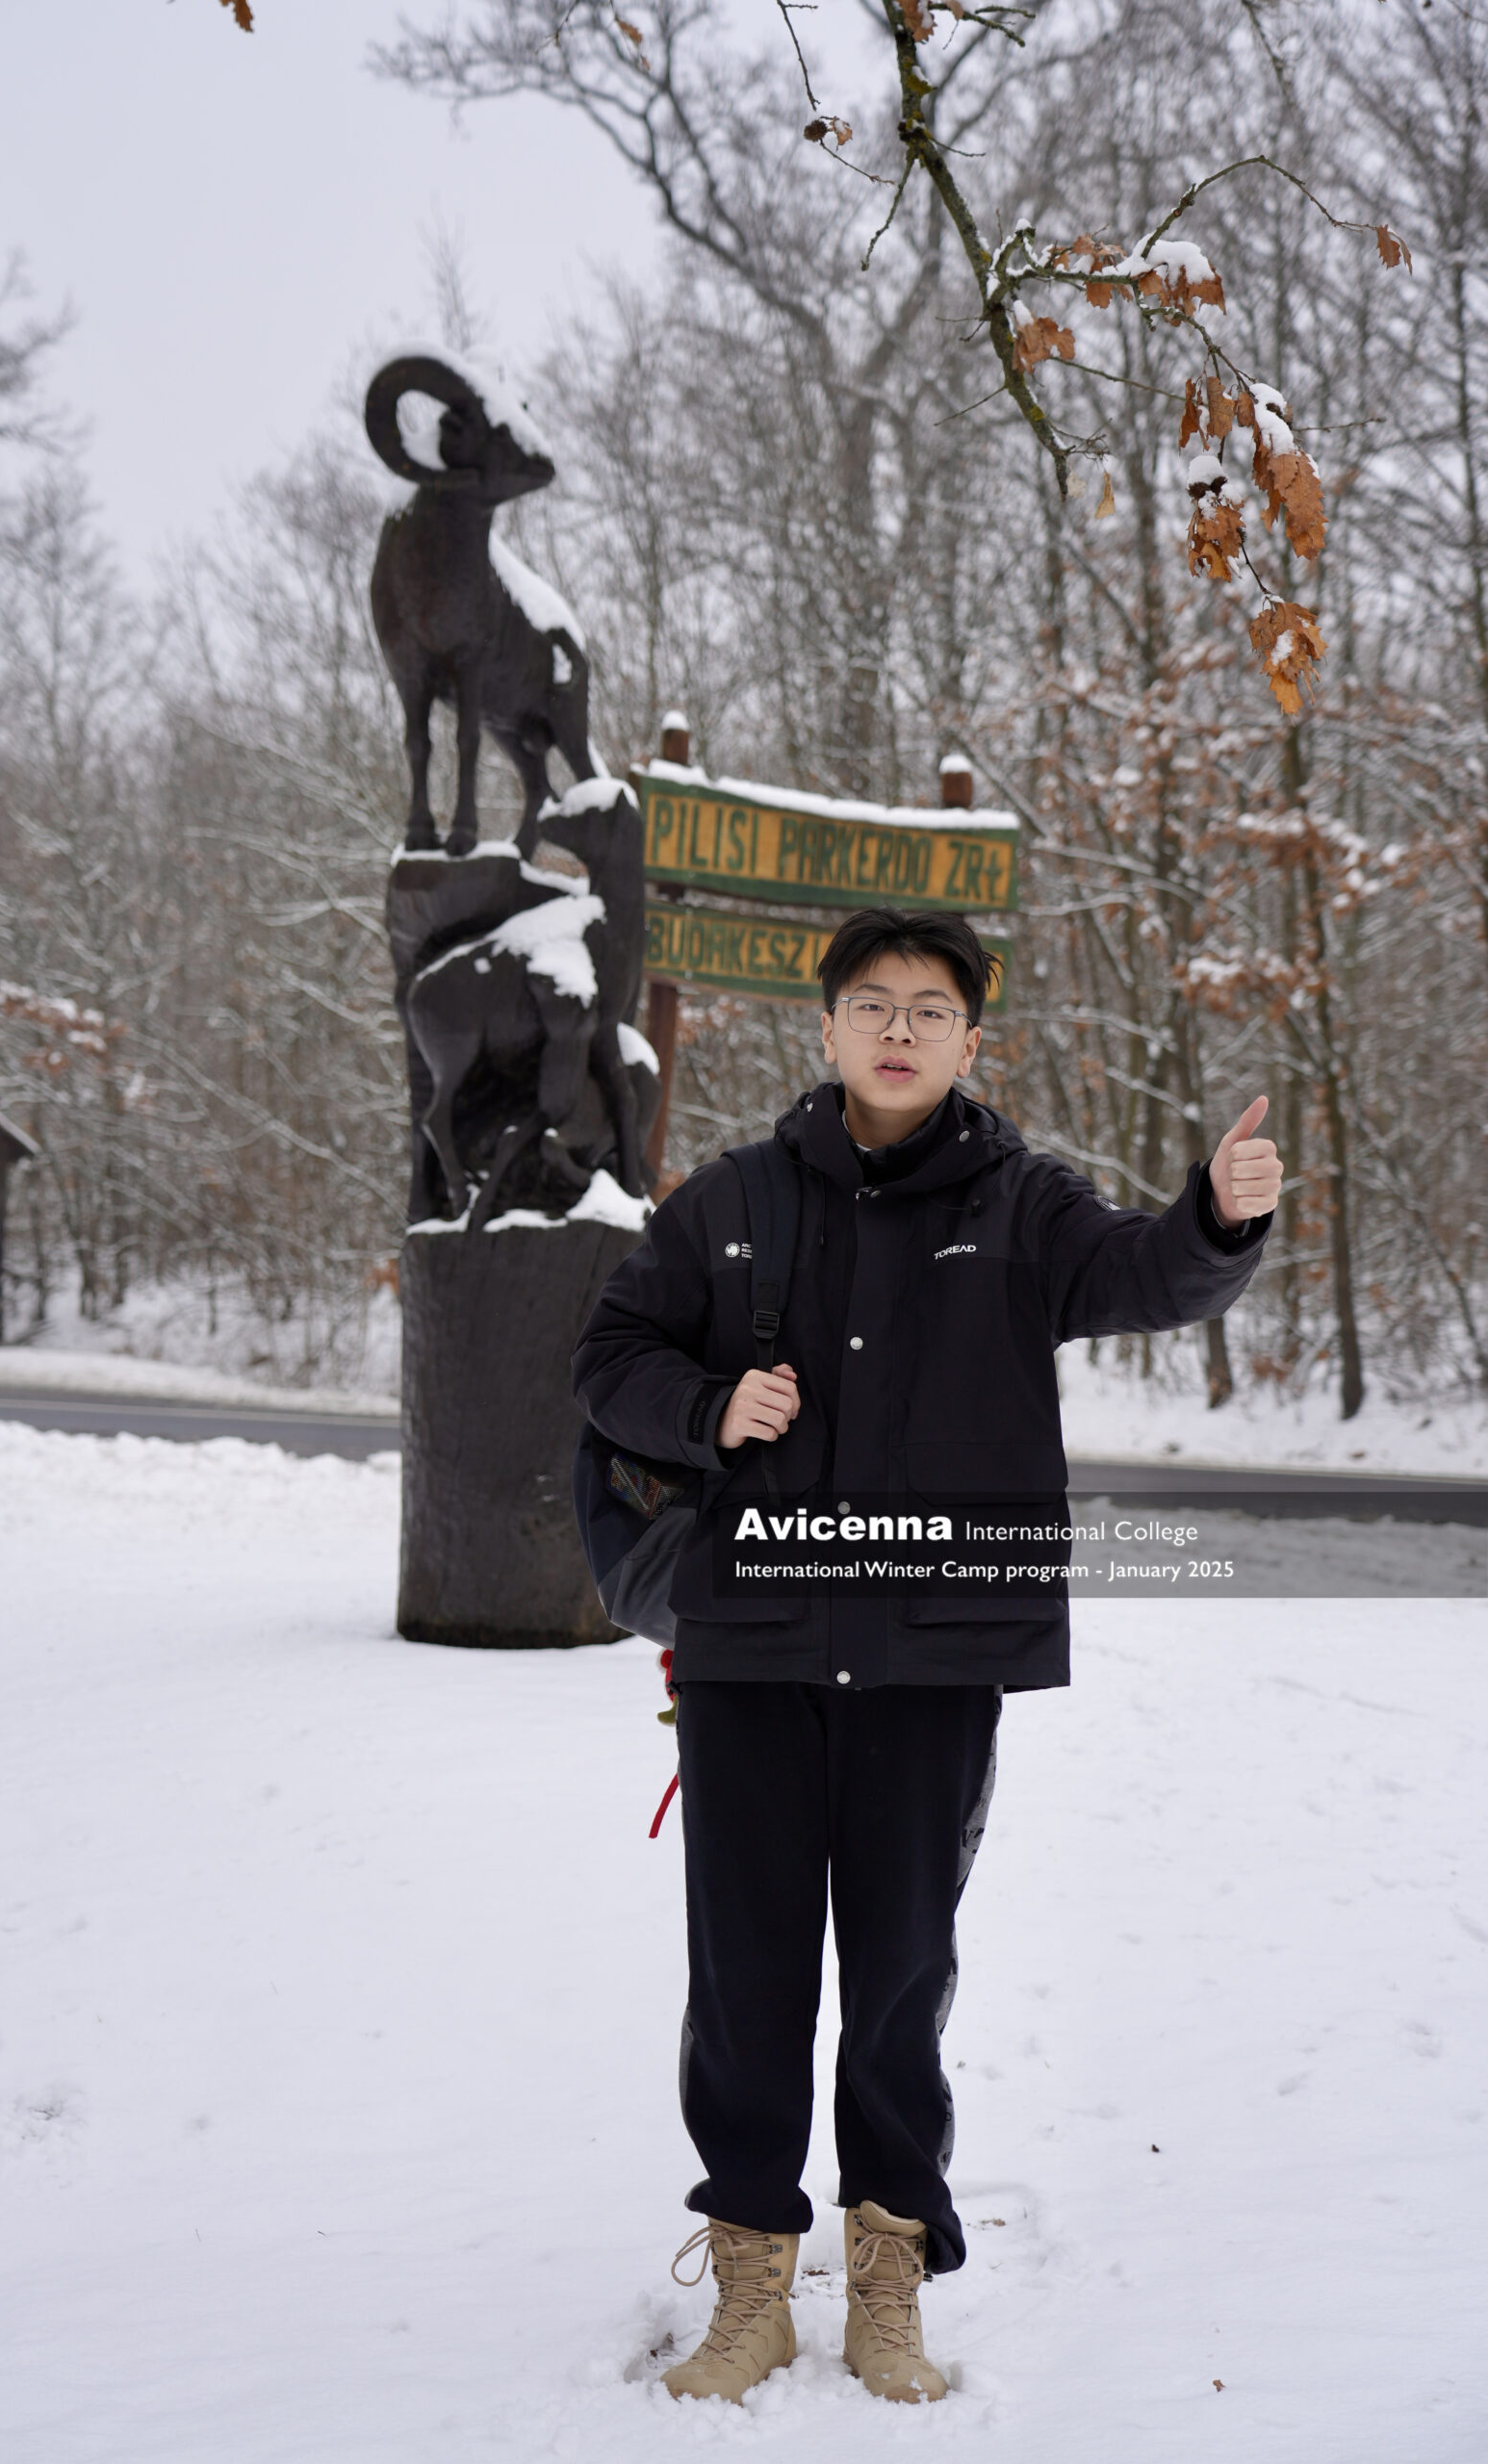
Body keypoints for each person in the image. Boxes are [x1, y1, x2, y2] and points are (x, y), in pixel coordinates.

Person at [572, 906, 1282, 2407]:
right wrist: (709, 1409)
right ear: (829, 1026)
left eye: (932, 1009)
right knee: (746, 1978)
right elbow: (608, 1359)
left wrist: (1219, 1222)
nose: (900, 1029)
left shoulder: (1024, 1205)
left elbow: (1145, 1275)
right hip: (754, 1648)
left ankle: (887, 2279)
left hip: (933, 1657)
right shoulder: (732, 1201)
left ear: (969, 1041)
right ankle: (752, 2287)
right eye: (875, 1003)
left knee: (901, 1977)